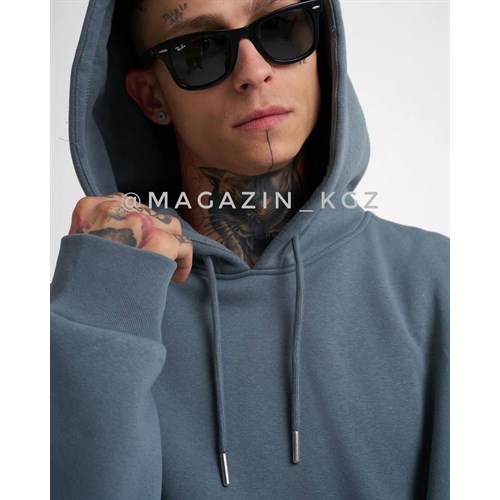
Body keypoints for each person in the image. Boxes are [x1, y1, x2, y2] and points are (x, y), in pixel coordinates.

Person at [50, 0, 450, 498]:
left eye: (282, 27)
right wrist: (101, 305)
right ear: (152, 95)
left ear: (324, 47)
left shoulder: (446, 283)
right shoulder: (99, 300)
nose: (253, 72)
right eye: (199, 50)